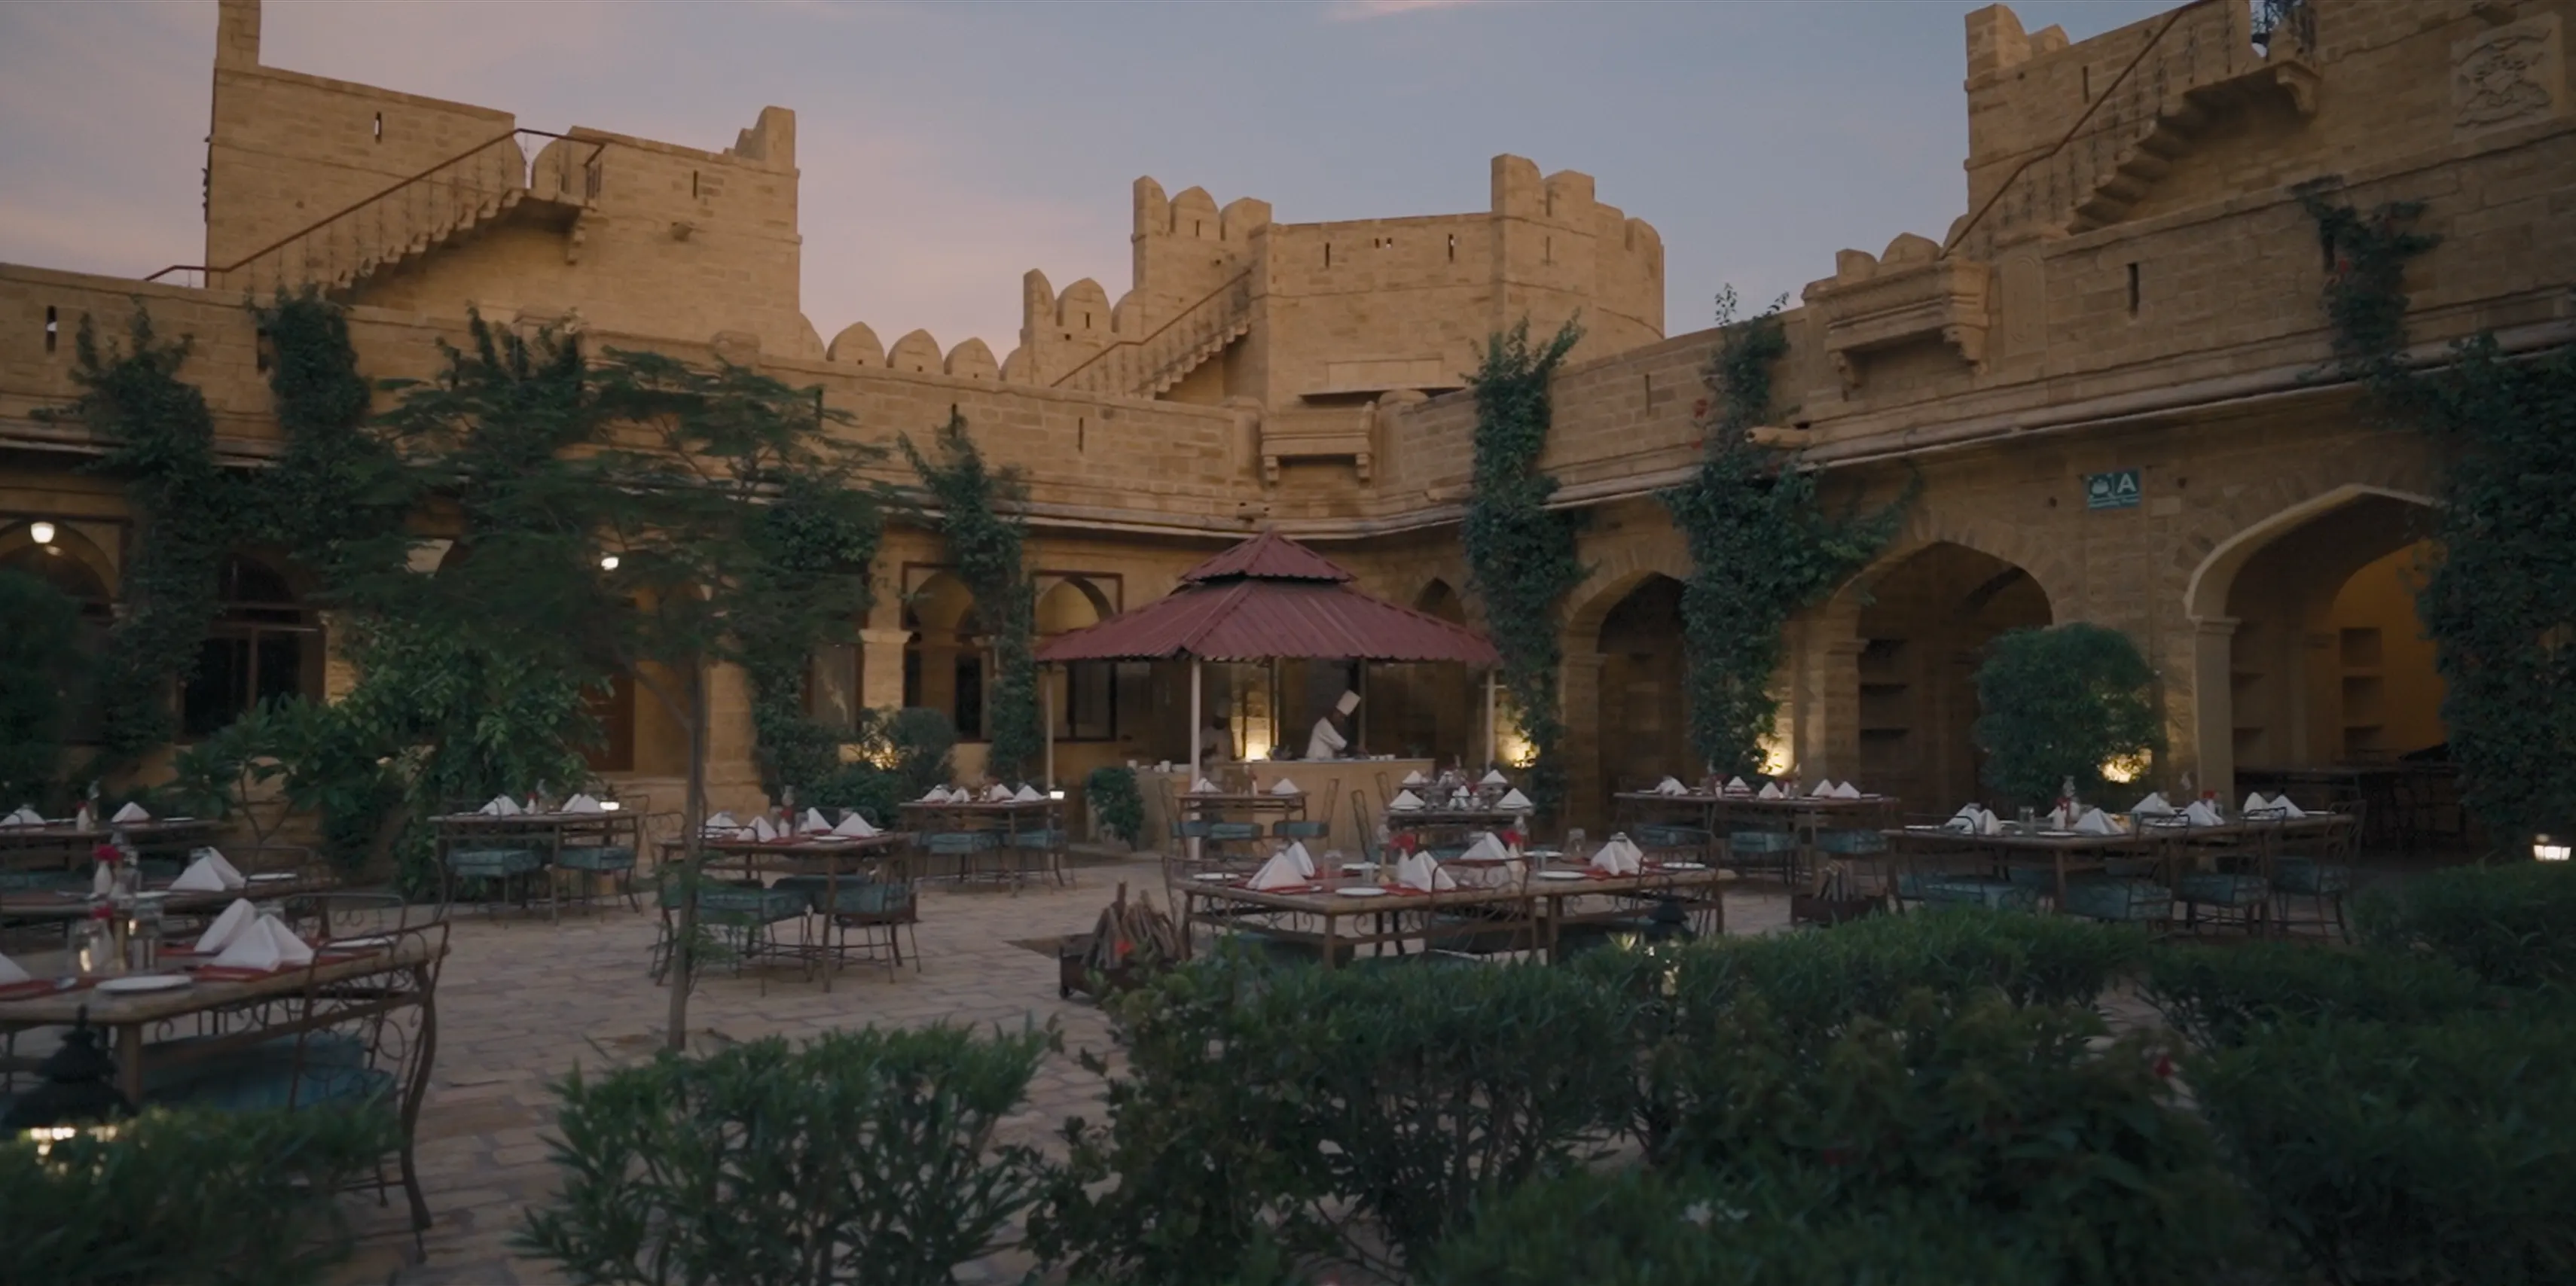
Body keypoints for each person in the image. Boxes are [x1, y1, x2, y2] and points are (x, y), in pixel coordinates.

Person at [1304, 690, 1360, 760]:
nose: (1342, 720)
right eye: (1341, 717)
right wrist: (1359, 750)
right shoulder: (1323, 725)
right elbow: (1343, 746)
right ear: (1334, 713)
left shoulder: (1329, 726)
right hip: (1314, 763)